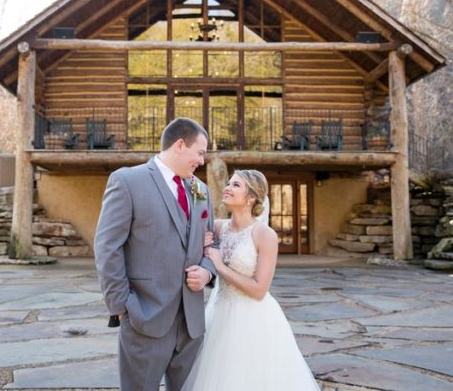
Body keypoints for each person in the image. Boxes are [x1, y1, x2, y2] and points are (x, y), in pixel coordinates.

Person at [94, 117, 216, 391]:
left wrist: (208, 270)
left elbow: (212, 244)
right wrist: (122, 306)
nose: (202, 161)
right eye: (200, 153)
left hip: (191, 324)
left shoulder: (201, 190)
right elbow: (107, 247)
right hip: (144, 317)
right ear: (180, 145)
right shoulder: (127, 181)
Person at [181, 169, 321, 391]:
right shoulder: (217, 227)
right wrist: (202, 242)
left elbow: (259, 290)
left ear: (251, 197)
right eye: (229, 183)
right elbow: (185, 228)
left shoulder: (265, 235)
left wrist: (219, 267)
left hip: (252, 318)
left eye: (236, 185)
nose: (227, 188)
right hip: (218, 312)